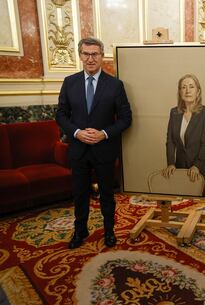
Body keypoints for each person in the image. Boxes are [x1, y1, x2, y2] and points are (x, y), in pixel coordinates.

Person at [56, 37, 132, 249]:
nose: (90, 58)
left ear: (102, 56)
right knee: (79, 194)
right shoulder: (69, 82)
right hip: (79, 150)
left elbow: (126, 119)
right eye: (86, 54)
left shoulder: (115, 85)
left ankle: (109, 231)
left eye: (95, 54)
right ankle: (80, 230)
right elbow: (61, 115)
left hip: (104, 150)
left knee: (107, 194)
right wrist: (77, 132)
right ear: (80, 56)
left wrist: (104, 134)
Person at [162, 74, 205, 196]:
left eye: (191, 87)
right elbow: (170, 140)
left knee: (198, 206)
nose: (187, 90)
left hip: (199, 168)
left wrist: (197, 166)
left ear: (198, 91)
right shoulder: (174, 112)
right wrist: (170, 163)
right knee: (180, 205)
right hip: (180, 168)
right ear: (180, 92)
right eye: (183, 87)